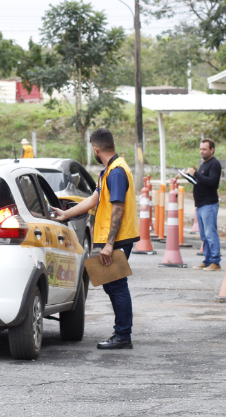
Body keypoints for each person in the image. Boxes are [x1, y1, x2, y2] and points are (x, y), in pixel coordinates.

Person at [52, 128, 138, 350]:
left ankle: (123, 335)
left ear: (96, 149)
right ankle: (121, 333)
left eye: (93, 149)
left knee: (117, 286)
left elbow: (118, 208)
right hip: (113, 237)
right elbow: (94, 199)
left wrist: (109, 244)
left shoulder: (117, 172)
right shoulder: (108, 171)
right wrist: (65, 214)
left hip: (118, 238)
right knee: (112, 285)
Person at [187, 138, 222, 271]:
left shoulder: (215, 164)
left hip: (209, 204)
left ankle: (215, 261)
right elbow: (200, 181)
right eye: (201, 149)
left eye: (204, 149)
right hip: (201, 204)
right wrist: (190, 176)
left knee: (210, 233)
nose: (202, 151)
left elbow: (212, 182)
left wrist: (195, 173)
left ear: (212, 150)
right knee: (204, 235)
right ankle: (207, 260)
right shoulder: (204, 164)